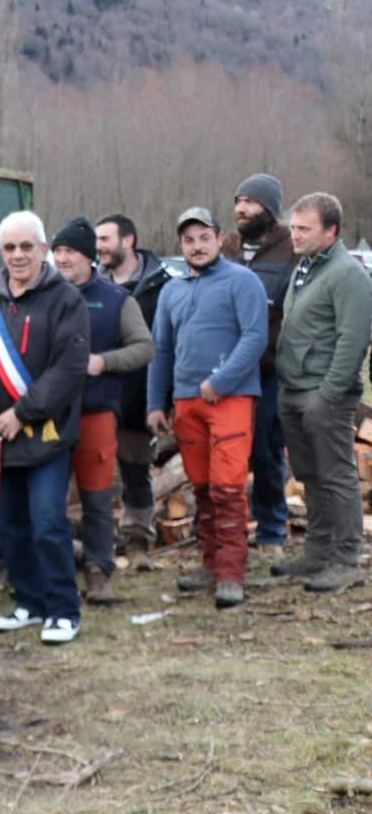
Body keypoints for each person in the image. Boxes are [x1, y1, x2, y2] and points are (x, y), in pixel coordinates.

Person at [0, 211, 89, 645]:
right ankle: (29, 602)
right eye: (10, 248)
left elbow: (68, 369)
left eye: (26, 246)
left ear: (44, 249)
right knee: (8, 525)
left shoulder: (66, 299)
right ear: (0, 252)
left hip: (44, 436)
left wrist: (21, 413)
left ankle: (63, 609)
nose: (18, 255)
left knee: (48, 522)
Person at [147, 207, 268, 608]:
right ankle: (210, 563)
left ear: (219, 238)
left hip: (229, 399)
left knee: (229, 486)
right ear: (180, 245)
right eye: (188, 240)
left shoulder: (242, 281)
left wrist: (221, 382)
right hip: (185, 402)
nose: (196, 246)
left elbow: (255, 337)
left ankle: (232, 573)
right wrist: (154, 403)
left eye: (204, 237)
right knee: (201, 486)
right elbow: (161, 350)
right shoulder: (172, 291)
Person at [271, 192, 372, 593]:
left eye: (303, 228)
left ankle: (347, 561)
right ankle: (318, 553)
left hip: (323, 395)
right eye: (293, 226)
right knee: (310, 474)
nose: (294, 234)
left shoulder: (348, 274)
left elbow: (354, 339)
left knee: (337, 475)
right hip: (294, 389)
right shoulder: (306, 268)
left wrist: (328, 393)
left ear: (330, 231)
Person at [49, 217, 153, 606]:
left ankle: (98, 571)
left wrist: (104, 362)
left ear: (89, 256)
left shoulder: (115, 300)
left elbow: (145, 348)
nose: (62, 259)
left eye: (70, 252)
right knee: (48, 498)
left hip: (95, 412)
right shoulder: (41, 295)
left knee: (95, 498)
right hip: (47, 415)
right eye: (57, 251)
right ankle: (54, 568)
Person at [222, 174, 296, 559]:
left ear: (269, 208)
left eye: (250, 201)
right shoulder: (227, 247)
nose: (240, 208)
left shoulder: (290, 250)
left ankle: (271, 531)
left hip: (269, 369)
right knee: (229, 452)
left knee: (267, 451)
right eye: (238, 200)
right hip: (227, 368)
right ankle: (228, 532)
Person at [96, 213, 173, 569]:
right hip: (98, 394)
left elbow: (168, 345)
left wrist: (162, 399)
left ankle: (139, 540)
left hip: (139, 395)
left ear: (128, 241)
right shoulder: (93, 285)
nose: (99, 247)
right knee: (90, 473)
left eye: (105, 239)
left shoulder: (161, 285)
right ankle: (90, 542)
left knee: (136, 472)